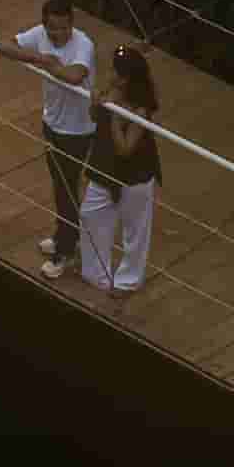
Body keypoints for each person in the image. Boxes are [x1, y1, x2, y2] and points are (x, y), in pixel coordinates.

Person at [0, 0, 98, 271]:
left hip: (78, 130)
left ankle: (65, 251)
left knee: (66, 187)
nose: (58, 34)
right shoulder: (40, 35)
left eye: (64, 28)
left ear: (72, 24)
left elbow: (76, 75)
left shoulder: (82, 44)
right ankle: (65, 235)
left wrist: (50, 63)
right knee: (59, 184)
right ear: (44, 24)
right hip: (52, 122)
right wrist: (42, 59)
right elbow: (4, 46)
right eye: (52, 28)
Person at [81, 43, 164, 296]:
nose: (112, 75)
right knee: (90, 214)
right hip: (104, 166)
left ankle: (128, 281)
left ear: (129, 78)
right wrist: (97, 104)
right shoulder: (112, 89)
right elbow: (95, 117)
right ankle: (97, 275)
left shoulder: (141, 109)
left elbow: (126, 149)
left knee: (135, 229)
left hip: (135, 175)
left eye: (118, 72)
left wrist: (116, 116)